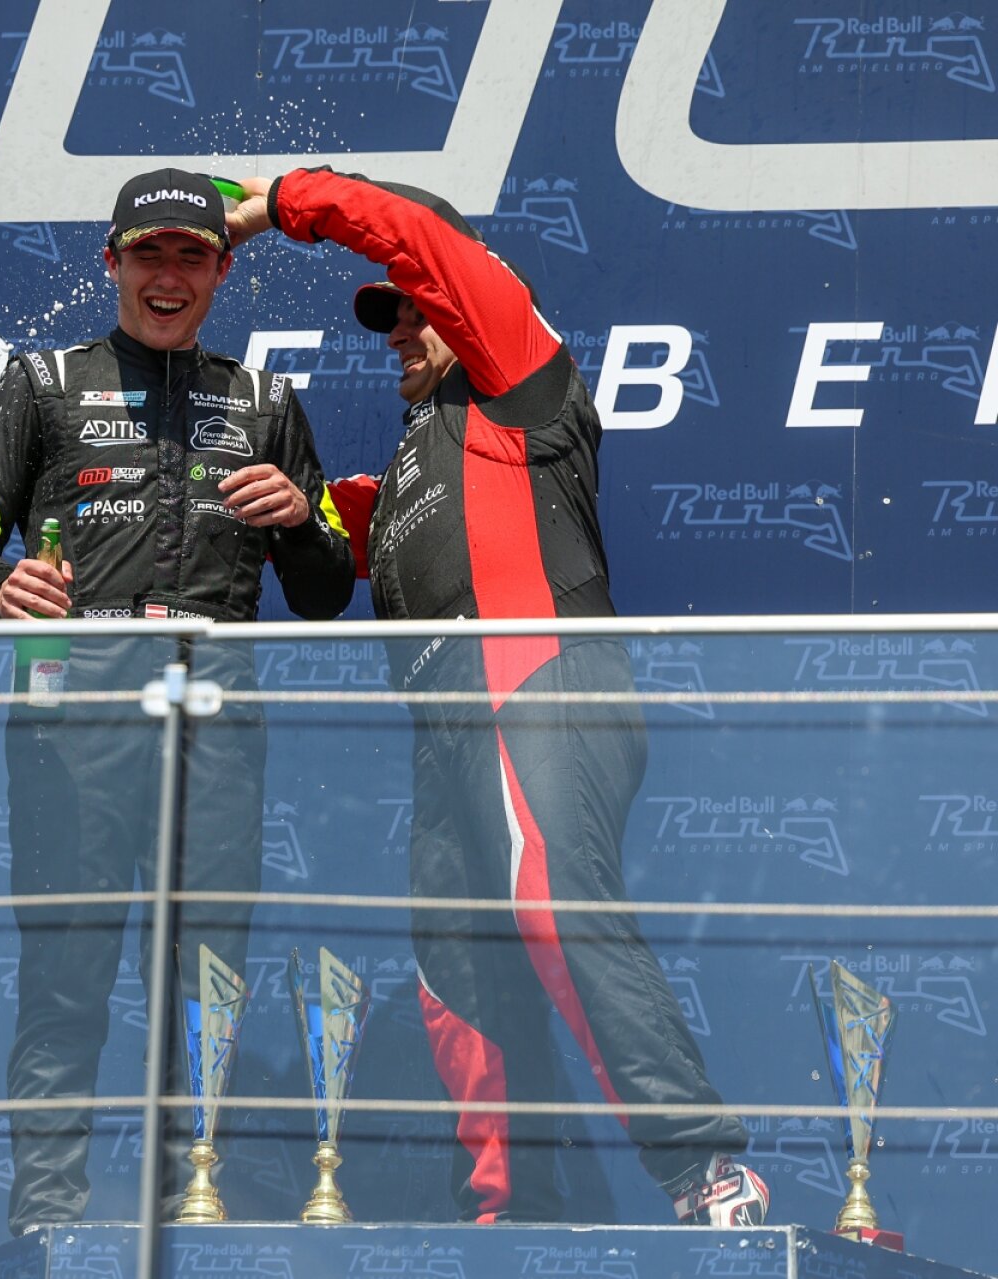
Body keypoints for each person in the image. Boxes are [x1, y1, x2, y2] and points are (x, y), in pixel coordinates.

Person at [223, 172, 768, 1227]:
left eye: (412, 307)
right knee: (456, 977)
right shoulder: (406, 465)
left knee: (553, 904)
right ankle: (511, 1218)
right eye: (387, 315)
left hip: (539, 684)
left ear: (464, 294)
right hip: (448, 736)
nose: (396, 329)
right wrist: (298, 512)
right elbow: (331, 550)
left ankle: (707, 1172)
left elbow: (419, 238)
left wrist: (287, 200)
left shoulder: (518, 367)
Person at [0, 170, 355, 1235]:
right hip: (75, 710)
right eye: (149, 253)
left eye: (192, 255)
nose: (169, 276)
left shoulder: (264, 401)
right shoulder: (41, 383)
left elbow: (324, 589)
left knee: (208, 970)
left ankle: (189, 1208)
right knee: (66, 972)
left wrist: (300, 519)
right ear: (111, 262)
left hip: (217, 711)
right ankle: (46, 1217)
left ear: (223, 269)